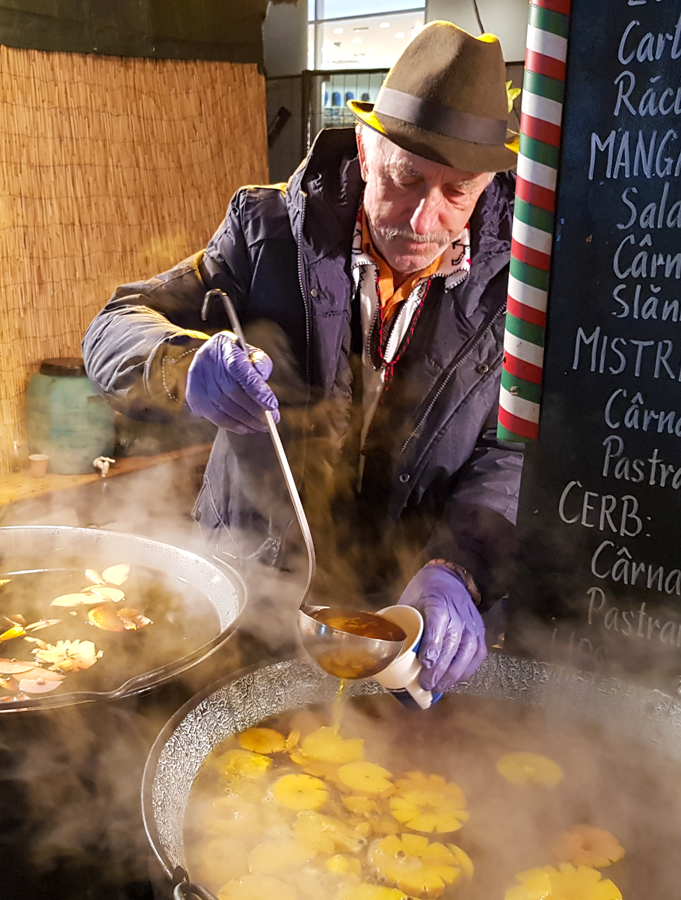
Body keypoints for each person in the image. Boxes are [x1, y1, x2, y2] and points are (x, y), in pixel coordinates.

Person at [83, 23, 521, 692]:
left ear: (487, 189)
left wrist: (458, 566)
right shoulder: (265, 233)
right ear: (370, 154)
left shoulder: (515, 289)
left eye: (456, 192)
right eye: (405, 179)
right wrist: (183, 366)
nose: (423, 219)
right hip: (254, 586)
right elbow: (114, 324)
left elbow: (511, 449)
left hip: (403, 611)